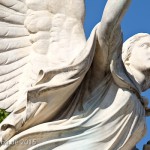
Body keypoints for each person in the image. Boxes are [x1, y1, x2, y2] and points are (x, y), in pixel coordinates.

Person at [0, 0, 149, 149]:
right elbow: (109, 24)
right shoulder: (107, 73)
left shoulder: (139, 114)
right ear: (127, 54)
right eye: (145, 46)